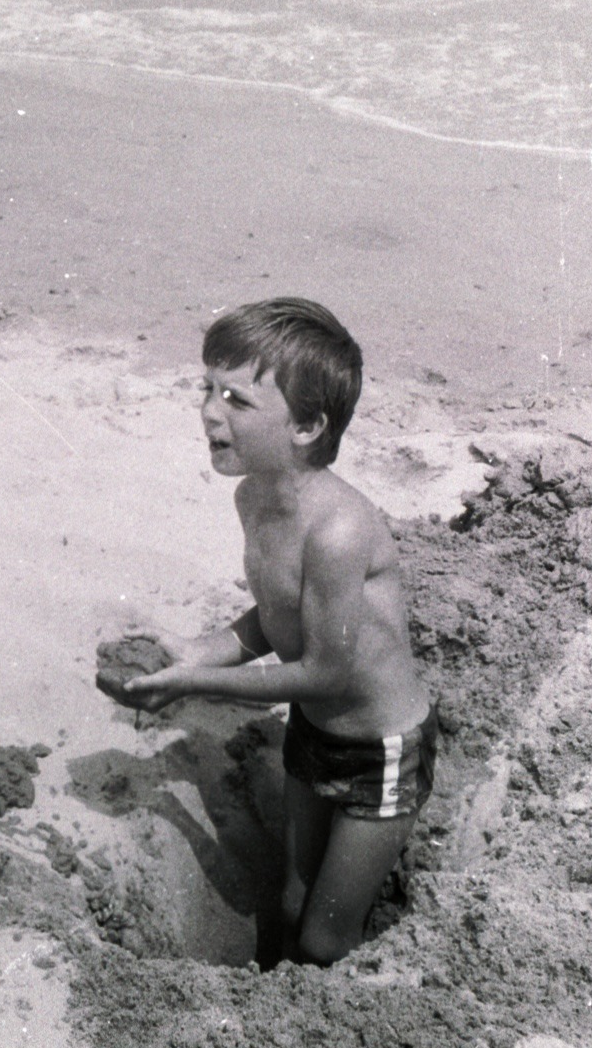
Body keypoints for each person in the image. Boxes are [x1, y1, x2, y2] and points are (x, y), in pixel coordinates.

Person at [120, 298, 436, 967]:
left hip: (381, 751)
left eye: (235, 397)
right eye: (205, 389)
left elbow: (326, 671)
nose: (209, 410)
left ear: (307, 424)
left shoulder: (338, 529)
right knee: (291, 903)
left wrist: (195, 684)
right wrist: (200, 649)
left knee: (325, 935)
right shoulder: (253, 501)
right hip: (313, 734)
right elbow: (276, 617)